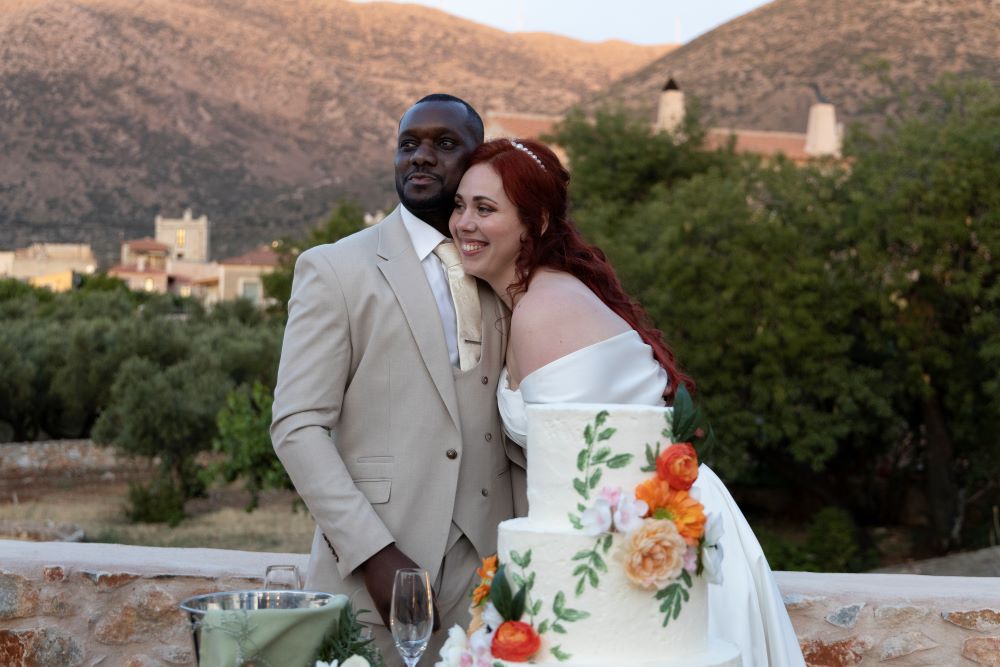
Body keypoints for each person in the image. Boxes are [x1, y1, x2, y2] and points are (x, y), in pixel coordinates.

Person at [448, 138, 806, 667]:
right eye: (459, 205)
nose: (464, 223)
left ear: (535, 222)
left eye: (485, 209)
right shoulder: (539, 297)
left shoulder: (542, 311)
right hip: (631, 526)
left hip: (662, 533)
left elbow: (575, 470)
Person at [271, 95, 523, 664]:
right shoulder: (335, 268)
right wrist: (373, 553)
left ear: (478, 158)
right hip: (378, 572)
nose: (421, 157)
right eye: (408, 144)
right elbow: (296, 427)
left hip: (493, 577)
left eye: (444, 144)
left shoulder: (502, 267)